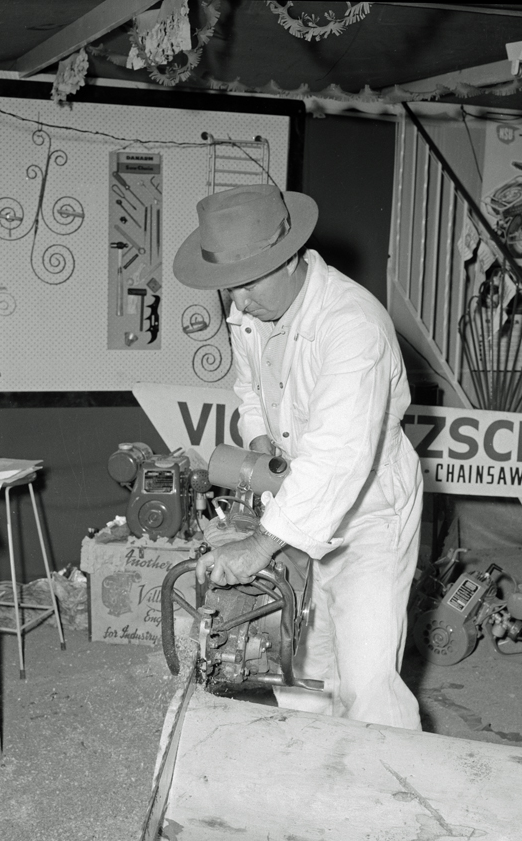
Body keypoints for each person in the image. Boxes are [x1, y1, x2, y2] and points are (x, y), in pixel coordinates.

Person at [173, 184, 423, 729]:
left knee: (367, 679)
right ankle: (320, 793)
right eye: (228, 288)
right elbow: (249, 389)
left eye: (247, 284)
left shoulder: (352, 324)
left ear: (289, 260)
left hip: (368, 507)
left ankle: (394, 806)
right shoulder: (251, 312)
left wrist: (260, 545)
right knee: (301, 666)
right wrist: (262, 441)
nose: (237, 302)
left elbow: (337, 457)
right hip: (298, 500)